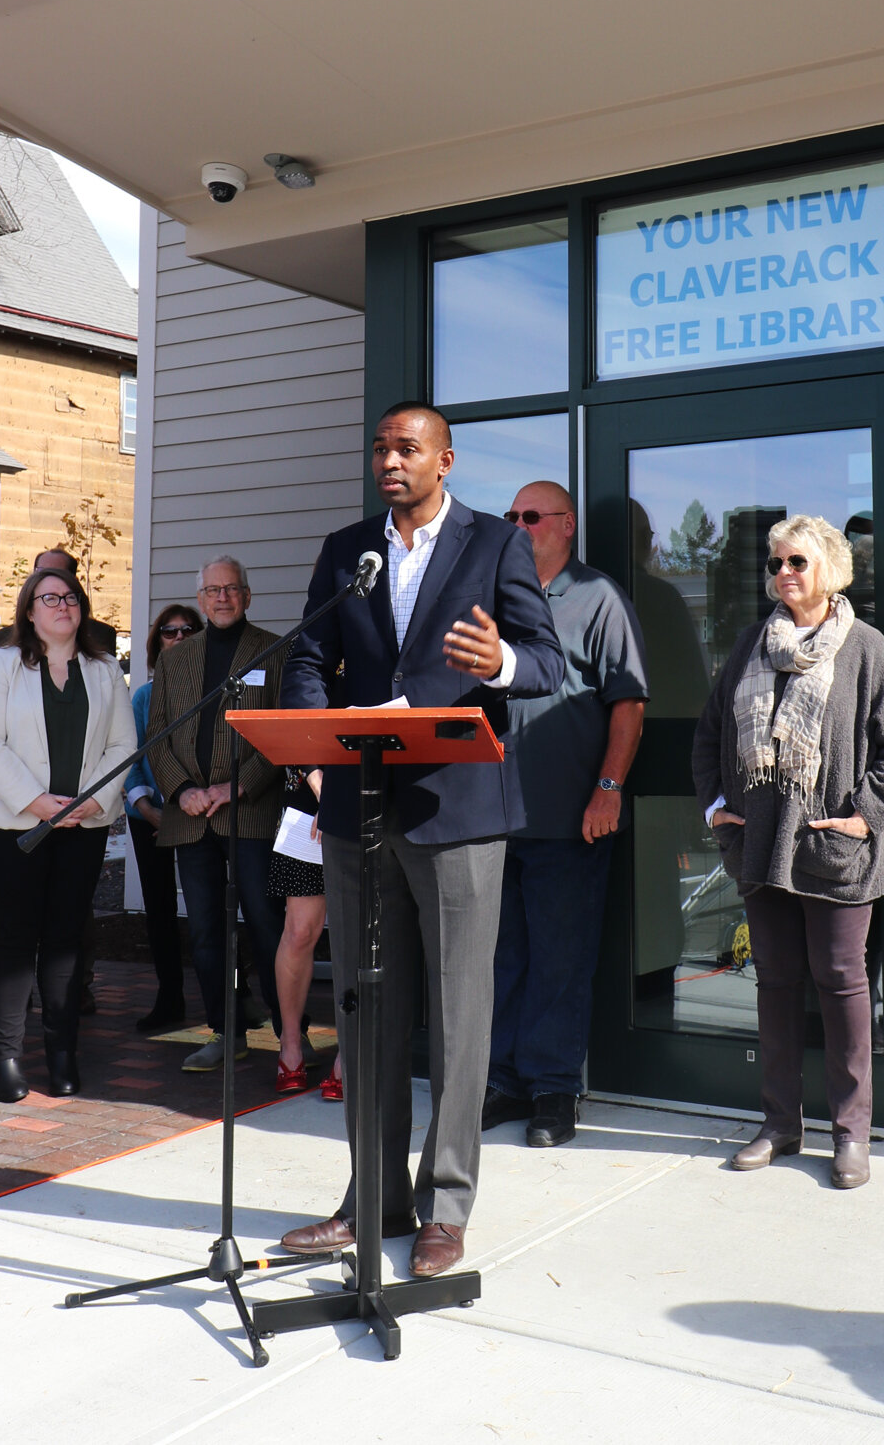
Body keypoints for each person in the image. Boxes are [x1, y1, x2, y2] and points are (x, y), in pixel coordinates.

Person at [278, 402, 564, 1280]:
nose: (389, 462)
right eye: (380, 449)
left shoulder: (494, 544)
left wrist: (500, 665)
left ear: (445, 459)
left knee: (458, 1016)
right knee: (367, 1009)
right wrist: (320, 746)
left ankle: (445, 1207)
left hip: (457, 812)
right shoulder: (349, 549)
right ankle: (374, 1197)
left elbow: (545, 663)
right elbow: (302, 657)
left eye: (407, 449)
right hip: (357, 807)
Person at [693, 515, 884, 1190]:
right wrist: (716, 810)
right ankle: (779, 1125)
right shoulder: (749, 646)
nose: (782, 574)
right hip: (762, 848)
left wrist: (863, 817)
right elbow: (709, 736)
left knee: (842, 983)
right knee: (777, 984)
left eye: (796, 562)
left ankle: (852, 1135)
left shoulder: (865, 648)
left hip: (835, 850)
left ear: (829, 571)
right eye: (775, 564)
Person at [483, 480, 648, 1148]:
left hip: (569, 817)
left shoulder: (598, 598)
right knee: (500, 958)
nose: (519, 526)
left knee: (559, 959)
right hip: (490, 816)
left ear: (567, 525)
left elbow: (628, 704)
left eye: (533, 516)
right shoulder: (492, 601)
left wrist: (608, 788)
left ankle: (553, 1091)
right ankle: (500, 1081)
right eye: (511, 516)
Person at [0, 564, 136, 1101]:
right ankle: (7, 1056)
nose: (62, 606)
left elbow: (123, 745)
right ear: (30, 611)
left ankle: (62, 1053)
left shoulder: (105, 669)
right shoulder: (2, 664)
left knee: (64, 942)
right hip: (13, 826)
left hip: (81, 825)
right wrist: (38, 803)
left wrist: (91, 801)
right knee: (17, 939)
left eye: (71, 598)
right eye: (49, 598)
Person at [146, 555, 287, 1073]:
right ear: (201, 599)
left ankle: (289, 1033)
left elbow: (282, 734)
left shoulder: (274, 651)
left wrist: (238, 785)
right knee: (205, 930)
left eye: (232, 589)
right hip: (192, 816)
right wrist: (181, 790)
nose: (222, 598)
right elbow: (157, 734)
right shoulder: (176, 660)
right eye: (212, 591)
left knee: (267, 923)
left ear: (247, 597)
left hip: (249, 812)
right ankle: (227, 1032)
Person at [125, 603, 201, 1033]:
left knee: (209, 909)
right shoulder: (144, 697)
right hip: (148, 812)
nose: (177, 638)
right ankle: (169, 997)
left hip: (202, 813)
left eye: (187, 630)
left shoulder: (214, 689)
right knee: (159, 908)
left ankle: (233, 993)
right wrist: (147, 809)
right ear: (157, 644)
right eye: (168, 632)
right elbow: (130, 758)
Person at [267, 764, 327, 1092]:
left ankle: (350, 1053)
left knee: (360, 930)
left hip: (368, 789)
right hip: (307, 794)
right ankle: (290, 1045)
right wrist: (324, 794)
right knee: (300, 930)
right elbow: (297, 712)